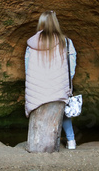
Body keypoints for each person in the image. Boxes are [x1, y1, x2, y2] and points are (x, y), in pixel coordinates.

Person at [24, 10, 77, 149]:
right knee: (62, 109)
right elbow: (71, 65)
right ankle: (71, 141)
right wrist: (66, 82)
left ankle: (36, 143)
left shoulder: (31, 43)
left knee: (38, 108)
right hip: (58, 88)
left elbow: (27, 68)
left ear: (40, 23)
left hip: (36, 91)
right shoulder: (65, 42)